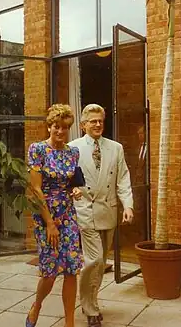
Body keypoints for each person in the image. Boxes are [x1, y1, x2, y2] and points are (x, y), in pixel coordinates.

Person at [69, 104, 134, 327]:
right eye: (93, 121)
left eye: (100, 121)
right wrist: (72, 189)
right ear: (83, 124)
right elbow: (65, 178)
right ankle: (90, 309)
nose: (97, 124)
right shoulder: (72, 148)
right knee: (94, 260)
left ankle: (92, 301)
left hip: (109, 210)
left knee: (101, 262)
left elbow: (123, 178)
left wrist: (128, 206)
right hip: (85, 210)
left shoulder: (115, 148)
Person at [26, 104, 83, 327]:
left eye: (64, 128)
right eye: (56, 127)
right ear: (49, 126)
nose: (60, 131)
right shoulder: (37, 150)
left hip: (68, 214)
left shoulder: (72, 152)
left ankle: (70, 322)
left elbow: (72, 183)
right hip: (45, 215)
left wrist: (74, 190)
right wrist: (49, 223)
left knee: (71, 268)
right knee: (49, 272)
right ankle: (37, 305)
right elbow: (36, 189)